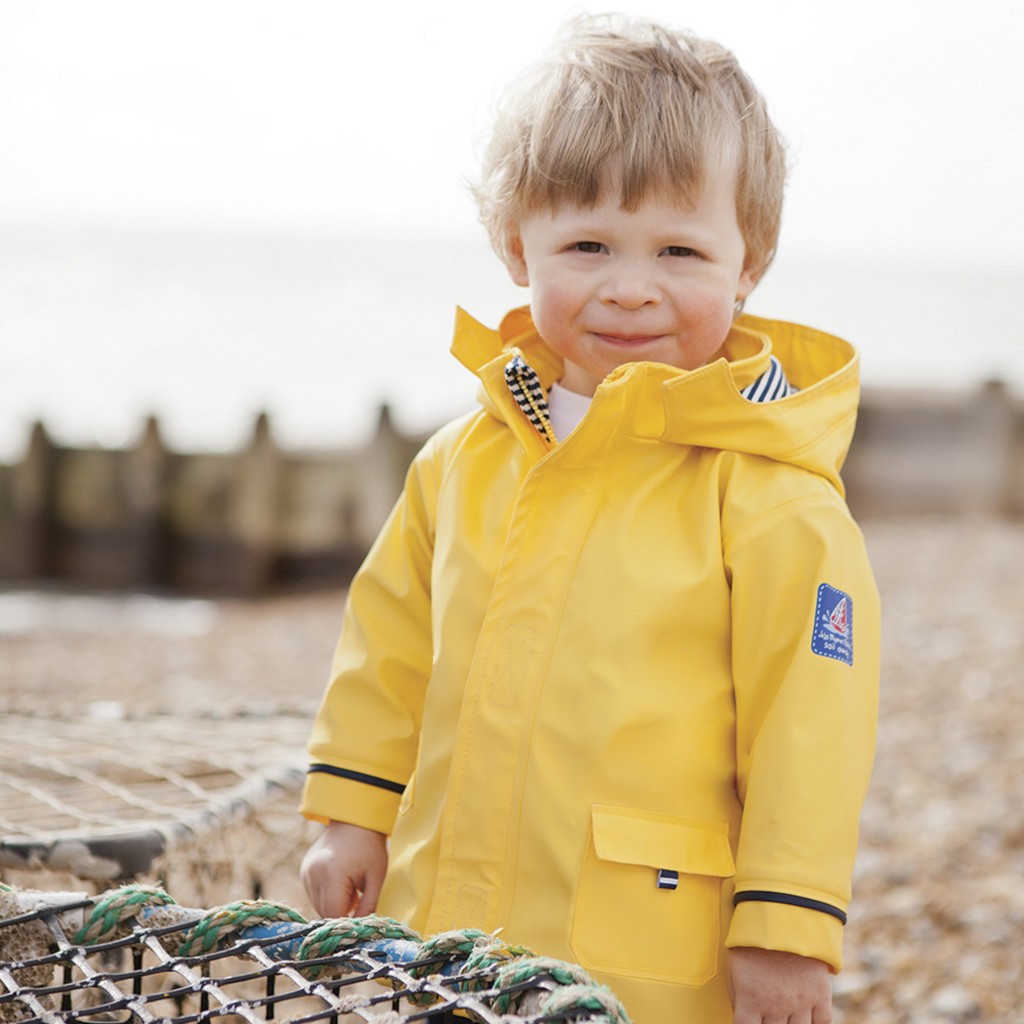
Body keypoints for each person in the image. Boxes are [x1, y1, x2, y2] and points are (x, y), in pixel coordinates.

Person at [299, 14, 879, 1024]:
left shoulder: (770, 493)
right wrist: (352, 814)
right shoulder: (460, 461)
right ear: (514, 245)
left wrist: (786, 926)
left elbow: (811, 726)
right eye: (587, 243)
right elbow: (386, 650)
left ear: (751, 263)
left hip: (645, 955)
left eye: (680, 250)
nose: (630, 287)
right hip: (439, 922)